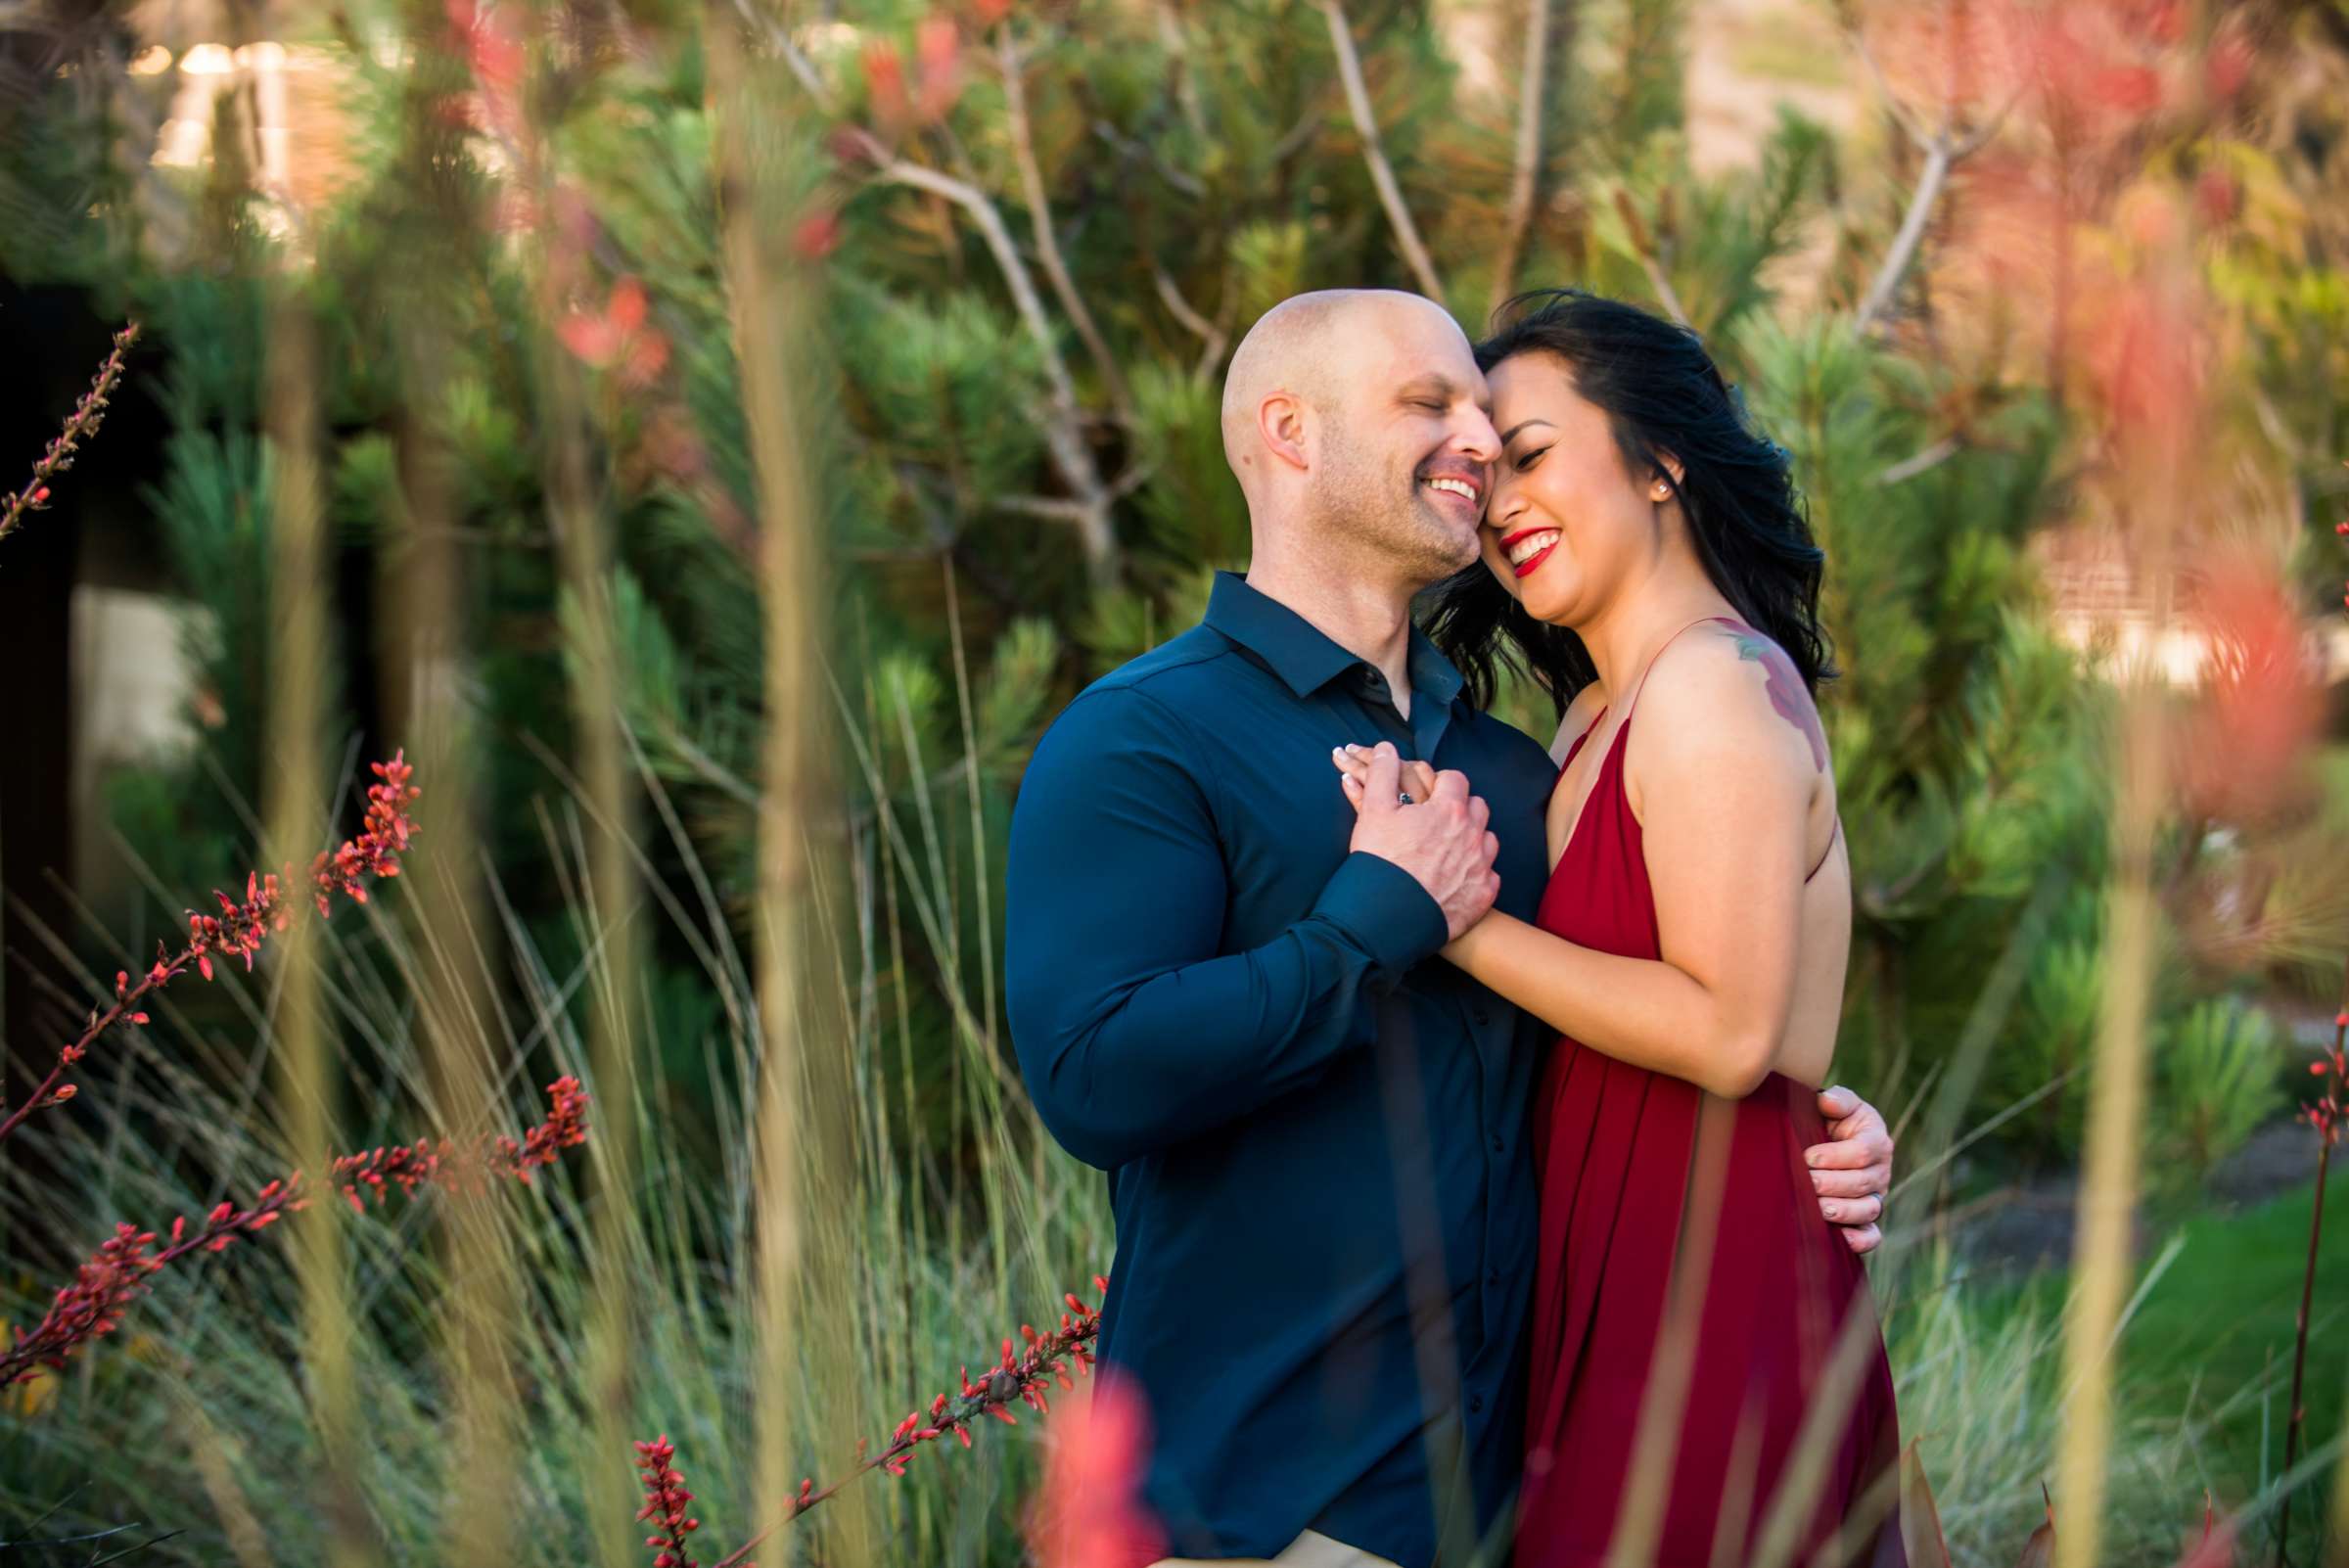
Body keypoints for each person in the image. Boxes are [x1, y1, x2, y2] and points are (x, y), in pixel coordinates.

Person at [1005, 289, 1894, 1568]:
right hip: (1256, 1504)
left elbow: (1650, 1018)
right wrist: (1371, 921)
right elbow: (1093, 1078)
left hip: (1505, 1482)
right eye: (1433, 405)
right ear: (1291, 433)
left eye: (1496, 421)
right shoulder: (1144, 737)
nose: (1475, 441)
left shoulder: (1519, 767)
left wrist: (1813, 1116)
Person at [1334, 289, 1904, 1565]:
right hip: (1615, 1258)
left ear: (1658, 460)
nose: (1501, 509)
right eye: (1485, 486)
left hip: (1714, 1275)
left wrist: (1457, 918)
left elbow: (1732, 1029)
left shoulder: (1712, 685)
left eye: (1529, 455)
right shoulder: (1596, 715)